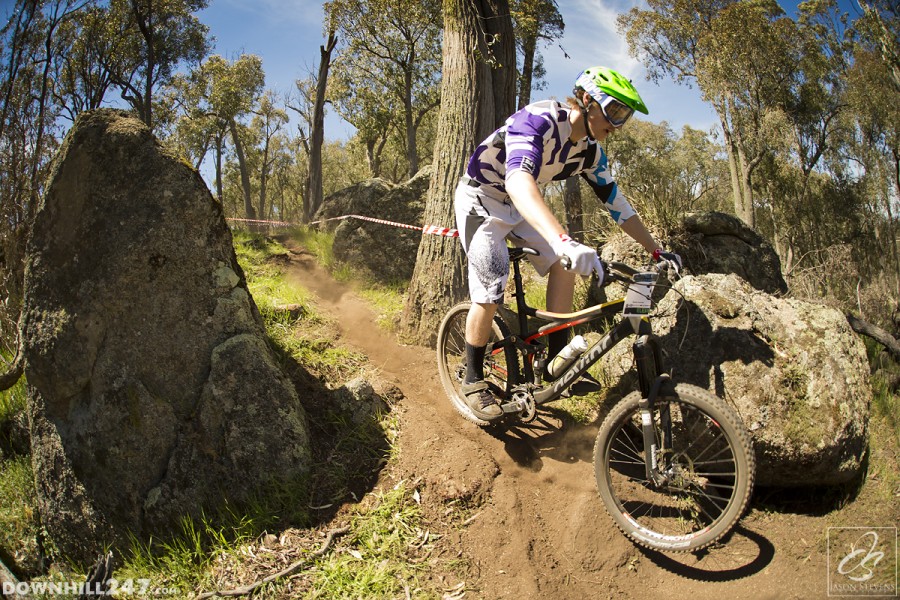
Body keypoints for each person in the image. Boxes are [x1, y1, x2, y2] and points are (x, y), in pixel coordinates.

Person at [454, 65, 682, 421]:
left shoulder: (590, 152)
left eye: (626, 115)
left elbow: (617, 204)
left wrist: (656, 250)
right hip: (481, 201)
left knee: (566, 266)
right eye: (615, 111)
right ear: (588, 100)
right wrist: (561, 239)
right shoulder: (538, 120)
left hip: (519, 207)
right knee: (491, 285)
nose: (618, 124)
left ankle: (554, 359)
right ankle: (472, 378)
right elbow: (517, 179)